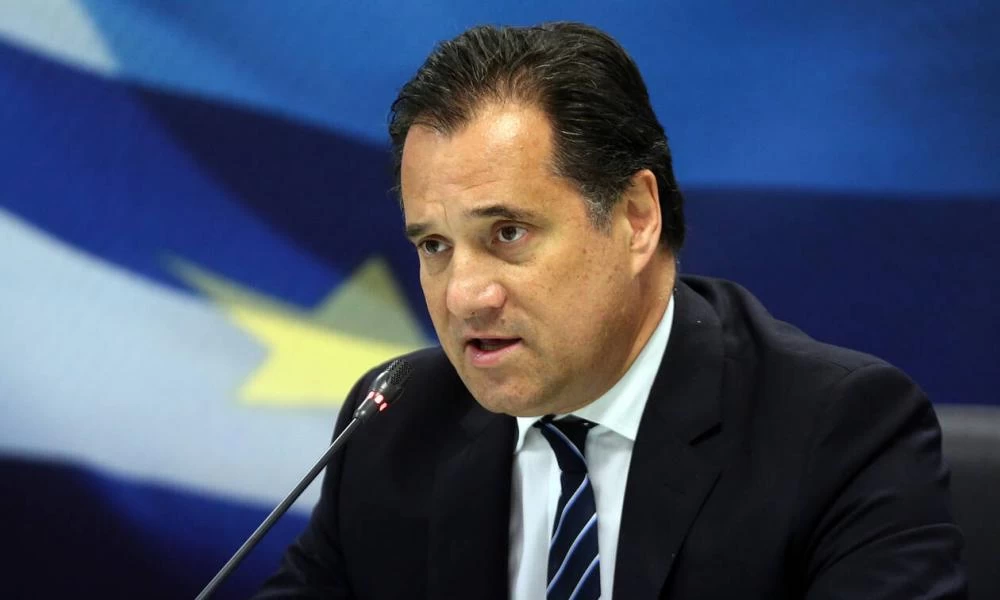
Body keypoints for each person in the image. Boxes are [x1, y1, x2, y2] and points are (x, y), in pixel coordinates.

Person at [254, 22, 966, 599]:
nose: (464, 294)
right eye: (435, 245)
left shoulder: (836, 432)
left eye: (508, 233)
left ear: (635, 217)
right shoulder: (395, 425)